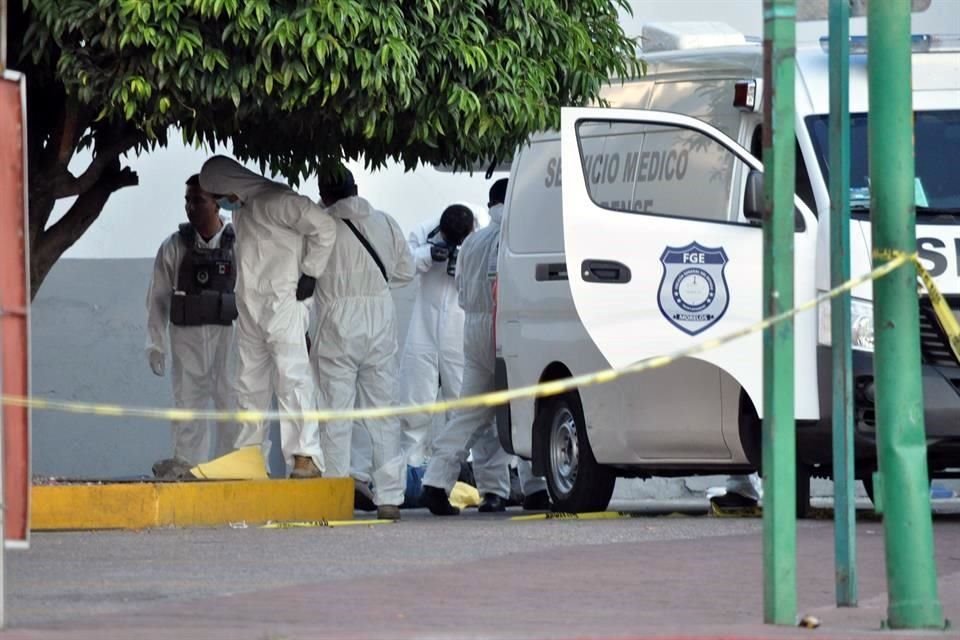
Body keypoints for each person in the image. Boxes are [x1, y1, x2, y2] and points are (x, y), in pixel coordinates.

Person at [199, 155, 336, 478]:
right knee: (248, 383)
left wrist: (311, 272)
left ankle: (306, 456)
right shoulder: (246, 209)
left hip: (284, 302)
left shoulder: (279, 200)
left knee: (292, 378)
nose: (220, 203)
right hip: (250, 306)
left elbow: (325, 228)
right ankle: (249, 455)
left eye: (218, 194)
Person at [310, 166, 415, 520]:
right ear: (356, 187)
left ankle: (336, 494)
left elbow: (306, 273)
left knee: (335, 413)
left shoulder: (320, 226)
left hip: (336, 319)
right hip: (380, 318)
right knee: (382, 412)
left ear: (324, 194)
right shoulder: (385, 222)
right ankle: (389, 498)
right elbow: (405, 272)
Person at [420, 179, 514, 514]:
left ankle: (435, 481)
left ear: (490, 206)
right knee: (525, 408)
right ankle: (523, 489)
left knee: (468, 415)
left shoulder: (473, 241)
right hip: (504, 329)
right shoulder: (517, 235)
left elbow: (460, 290)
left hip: (472, 331)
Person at [145, 174, 240, 475]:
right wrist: (155, 343)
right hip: (187, 338)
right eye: (187, 200)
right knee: (188, 406)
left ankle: (229, 470)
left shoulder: (239, 242)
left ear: (216, 203)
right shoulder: (174, 246)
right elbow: (157, 297)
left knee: (232, 405)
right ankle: (189, 470)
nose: (190, 207)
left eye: (197, 200)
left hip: (229, 337)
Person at [394, 204, 477, 467]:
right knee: (415, 403)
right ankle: (412, 470)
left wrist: (463, 265)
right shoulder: (426, 229)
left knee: (462, 405)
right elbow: (403, 265)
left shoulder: (481, 230)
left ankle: (465, 469)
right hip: (424, 326)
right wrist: (428, 255)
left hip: (460, 327)